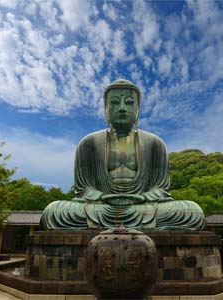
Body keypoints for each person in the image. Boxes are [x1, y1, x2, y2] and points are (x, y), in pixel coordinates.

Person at [40, 79, 205, 230]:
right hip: (101, 207)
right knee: (53, 211)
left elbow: (160, 188)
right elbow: (84, 189)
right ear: (105, 110)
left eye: (129, 103)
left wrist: (141, 198)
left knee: (192, 212)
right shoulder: (89, 143)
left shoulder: (155, 143)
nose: (122, 108)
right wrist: (103, 197)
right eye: (114, 102)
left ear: (138, 110)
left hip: (143, 207)